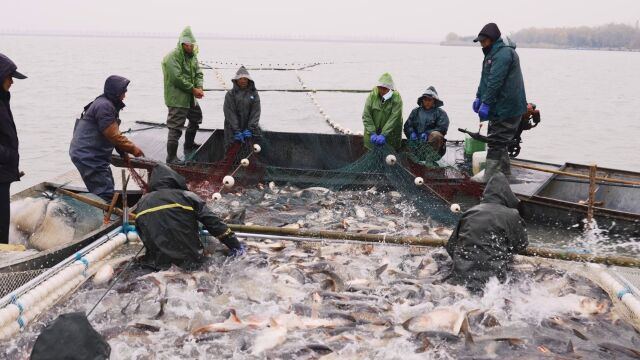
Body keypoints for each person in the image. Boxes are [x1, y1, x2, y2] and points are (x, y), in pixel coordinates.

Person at [135, 164, 246, 270]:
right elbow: (213, 223)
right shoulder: (187, 196)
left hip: (156, 264)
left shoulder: (142, 203)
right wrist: (235, 245)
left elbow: (142, 233)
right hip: (190, 263)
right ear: (175, 179)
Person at [445, 173, 528, 293]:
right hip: (492, 282)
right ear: (507, 195)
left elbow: (451, 246)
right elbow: (521, 245)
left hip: (461, 278)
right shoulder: (512, 215)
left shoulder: (470, 212)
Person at [69, 75, 145, 202]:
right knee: (104, 192)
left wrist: (123, 153)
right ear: (116, 92)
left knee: (106, 184)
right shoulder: (104, 106)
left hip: (92, 153)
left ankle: (104, 210)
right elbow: (113, 134)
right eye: (123, 92)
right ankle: (104, 218)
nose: (125, 96)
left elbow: (111, 133)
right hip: (88, 154)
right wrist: (133, 149)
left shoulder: (106, 103)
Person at [472, 23, 527, 181]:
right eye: (480, 41)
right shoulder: (491, 54)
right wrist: (478, 97)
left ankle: (490, 175)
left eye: (484, 40)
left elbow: (495, 82)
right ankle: (505, 174)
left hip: (507, 107)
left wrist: (486, 103)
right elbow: (485, 79)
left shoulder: (503, 54)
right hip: (499, 106)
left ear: (492, 39)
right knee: (499, 140)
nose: (481, 43)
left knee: (496, 141)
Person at [162, 26, 204, 164]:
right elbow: (177, 78)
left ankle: (189, 145)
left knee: (196, 118)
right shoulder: (171, 57)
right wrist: (193, 90)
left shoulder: (192, 56)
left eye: (193, 45)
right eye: (190, 45)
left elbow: (198, 73)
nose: (192, 47)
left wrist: (199, 86)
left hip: (190, 98)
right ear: (183, 44)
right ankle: (171, 157)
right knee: (175, 128)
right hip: (177, 99)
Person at [0, 53, 27, 244]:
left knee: (2, 218)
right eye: (10, 77)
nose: (12, 82)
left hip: (4, 171)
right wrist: (7, 158)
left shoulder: (2, 100)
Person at [223, 66, 261, 150]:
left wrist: (250, 129)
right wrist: (236, 131)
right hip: (232, 130)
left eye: (245, 79)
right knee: (231, 150)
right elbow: (230, 113)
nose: (243, 81)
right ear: (236, 80)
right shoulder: (230, 94)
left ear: (249, 80)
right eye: (240, 79)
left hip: (249, 130)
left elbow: (256, 112)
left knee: (250, 150)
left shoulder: (254, 94)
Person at [362, 73, 403, 151]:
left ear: (390, 89)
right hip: (372, 137)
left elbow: (394, 118)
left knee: (389, 158)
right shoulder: (372, 96)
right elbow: (366, 114)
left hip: (390, 138)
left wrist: (384, 134)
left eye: (385, 88)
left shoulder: (396, 98)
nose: (382, 91)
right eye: (380, 88)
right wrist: (372, 132)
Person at [403, 86, 450, 153]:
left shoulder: (441, 113)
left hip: (433, 147)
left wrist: (427, 134)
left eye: (429, 100)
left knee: (436, 135)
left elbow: (442, 128)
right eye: (425, 100)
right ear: (422, 100)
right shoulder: (415, 111)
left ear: (434, 101)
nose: (427, 102)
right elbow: (407, 125)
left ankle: (430, 156)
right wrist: (411, 133)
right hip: (416, 142)